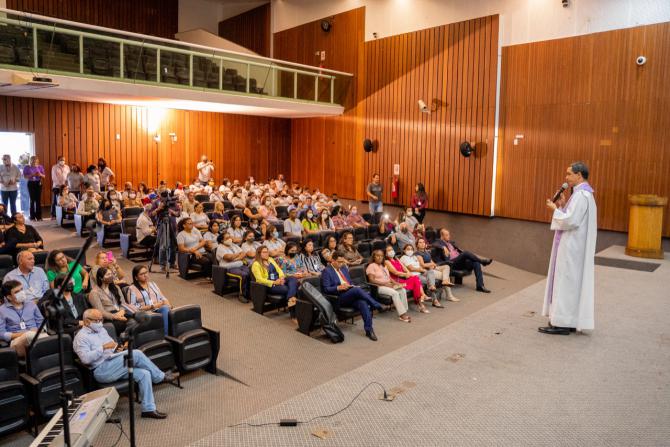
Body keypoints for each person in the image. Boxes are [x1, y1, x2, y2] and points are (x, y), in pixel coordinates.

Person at [73, 309, 177, 419]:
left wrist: (118, 349)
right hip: (101, 370)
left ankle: (148, 409)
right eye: (97, 320)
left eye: (101, 319)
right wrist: (102, 348)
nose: (100, 322)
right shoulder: (80, 337)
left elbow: (112, 346)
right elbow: (85, 359)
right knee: (136, 354)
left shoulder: (101, 330)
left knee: (144, 373)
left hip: (114, 362)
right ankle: (160, 377)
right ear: (87, 321)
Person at [540, 162, 597, 335]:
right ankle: (568, 320)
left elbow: (571, 221)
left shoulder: (582, 195)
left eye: (569, 174)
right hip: (574, 247)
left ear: (579, 175)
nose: (566, 178)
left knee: (566, 283)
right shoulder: (582, 194)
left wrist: (554, 210)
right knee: (570, 284)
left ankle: (562, 323)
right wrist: (562, 207)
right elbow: (572, 216)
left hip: (572, 249)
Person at [321, 251, 384, 341]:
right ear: (333, 260)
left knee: (363, 303)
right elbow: (326, 289)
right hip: (338, 298)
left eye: (343, 262)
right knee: (357, 290)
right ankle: (376, 304)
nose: (341, 264)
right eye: (339, 262)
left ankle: (369, 330)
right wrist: (339, 287)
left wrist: (351, 286)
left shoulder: (343, 268)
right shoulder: (327, 271)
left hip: (349, 293)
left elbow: (350, 282)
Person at [432, 229, 492, 293]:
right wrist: (443, 247)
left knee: (476, 263)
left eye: (449, 234)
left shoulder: (451, 243)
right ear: (442, 236)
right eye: (447, 235)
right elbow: (434, 244)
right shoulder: (438, 242)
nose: (449, 236)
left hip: (460, 261)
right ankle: (482, 261)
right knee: (465, 253)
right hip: (452, 263)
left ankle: (480, 286)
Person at [250, 246, 299, 319]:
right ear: (259, 253)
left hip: (279, 280)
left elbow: (279, 270)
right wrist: (274, 282)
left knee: (293, 278)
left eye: (267, 252)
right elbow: (259, 279)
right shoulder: (256, 264)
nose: (267, 254)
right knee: (287, 288)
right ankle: (292, 305)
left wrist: (281, 277)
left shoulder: (270, 259)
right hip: (270, 285)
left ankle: (290, 299)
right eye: (264, 252)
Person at [0, 280, 45, 357]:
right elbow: (1, 334)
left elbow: (41, 323)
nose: (21, 292)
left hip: (37, 336)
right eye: (17, 291)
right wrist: (24, 334)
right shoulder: (2, 310)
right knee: (29, 335)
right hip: (17, 341)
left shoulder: (31, 304)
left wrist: (39, 330)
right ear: (9, 297)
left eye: (21, 289)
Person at [366, 250, 411, 322]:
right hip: (379, 287)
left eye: (381, 256)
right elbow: (371, 280)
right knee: (395, 293)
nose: (379, 257)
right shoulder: (371, 266)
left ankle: (404, 310)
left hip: (388, 285)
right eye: (377, 255)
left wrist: (396, 283)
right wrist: (384, 284)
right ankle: (402, 314)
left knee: (402, 290)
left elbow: (389, 278)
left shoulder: (383, 266)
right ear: (374, 257)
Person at [127, 265, 172, 335]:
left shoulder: (153, 284)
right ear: (136, 277)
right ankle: (166, 335)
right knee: (165, 309)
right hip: (146, 312)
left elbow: (162, 297)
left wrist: (169, 305)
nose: (145, 275)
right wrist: (152, 306)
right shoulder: (132, 289)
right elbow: (133, 307)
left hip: (159, 308)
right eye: (142, 274)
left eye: (146, 272)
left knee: (168, 309)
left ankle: (172, 334)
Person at [384, 245, 431, 313]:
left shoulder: (396, 259)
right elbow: (395, 272)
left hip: (402, 279)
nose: (391, 251)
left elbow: (404, 268)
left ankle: (421, 301)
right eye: (389, 250)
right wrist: (406, 274)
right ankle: (421, 303)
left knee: (415, 278)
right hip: (397, 281)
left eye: (392, 250)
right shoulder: (387, 261)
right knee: (416, 280)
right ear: (385, 253)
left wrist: (409, 274)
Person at [88, 267, 130, 334]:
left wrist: (121, 312)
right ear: (101, 278)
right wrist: (116, 317)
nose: (111, 276)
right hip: (108, 316)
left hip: (121, 312)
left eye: (111, 274)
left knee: (137, 318)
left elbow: (123, 303)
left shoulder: (116, 287)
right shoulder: (94, 293)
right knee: (124, 324)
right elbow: (101, 312)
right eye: (108, 275)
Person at [399, 244, 443, 308]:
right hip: (414, 276)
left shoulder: (414, 257)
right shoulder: (404, 258)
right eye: (408, 249)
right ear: (404, 250)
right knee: (430, 282)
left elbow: (419, 265)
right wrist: (421, 269)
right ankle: (435, 300)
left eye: (411, 249)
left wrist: (422, 270)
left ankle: (432, 287)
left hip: (420, 273)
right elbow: (411, 268)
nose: (410, 250)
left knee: (430, 272)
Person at [215, 232, 250, 302]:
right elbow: (228, 258)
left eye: (230, 237)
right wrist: (237, 255)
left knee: (251, 272)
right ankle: (242, 295)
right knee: (243, 275)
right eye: (227, 238)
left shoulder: (233, 245)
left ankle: (249, 292)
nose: (230, 239)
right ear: (222, 240)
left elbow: (244, 253)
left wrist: (235, 258)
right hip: (228, 268)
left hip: (240, 264)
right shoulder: (220, 248)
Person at [23, 155, 45, 221]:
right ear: (31, 161)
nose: (34, 162)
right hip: (31, 183)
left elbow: (44, 176)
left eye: (36, 160)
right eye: (33, 160)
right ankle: (32, 217)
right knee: (32, 200)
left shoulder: (40, 166)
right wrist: (32, 175)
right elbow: (25, 176)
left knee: (38, 200)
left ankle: (39, 217)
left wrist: (40, 174)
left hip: (38, 183)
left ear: (37, 161)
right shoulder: (27, 167)